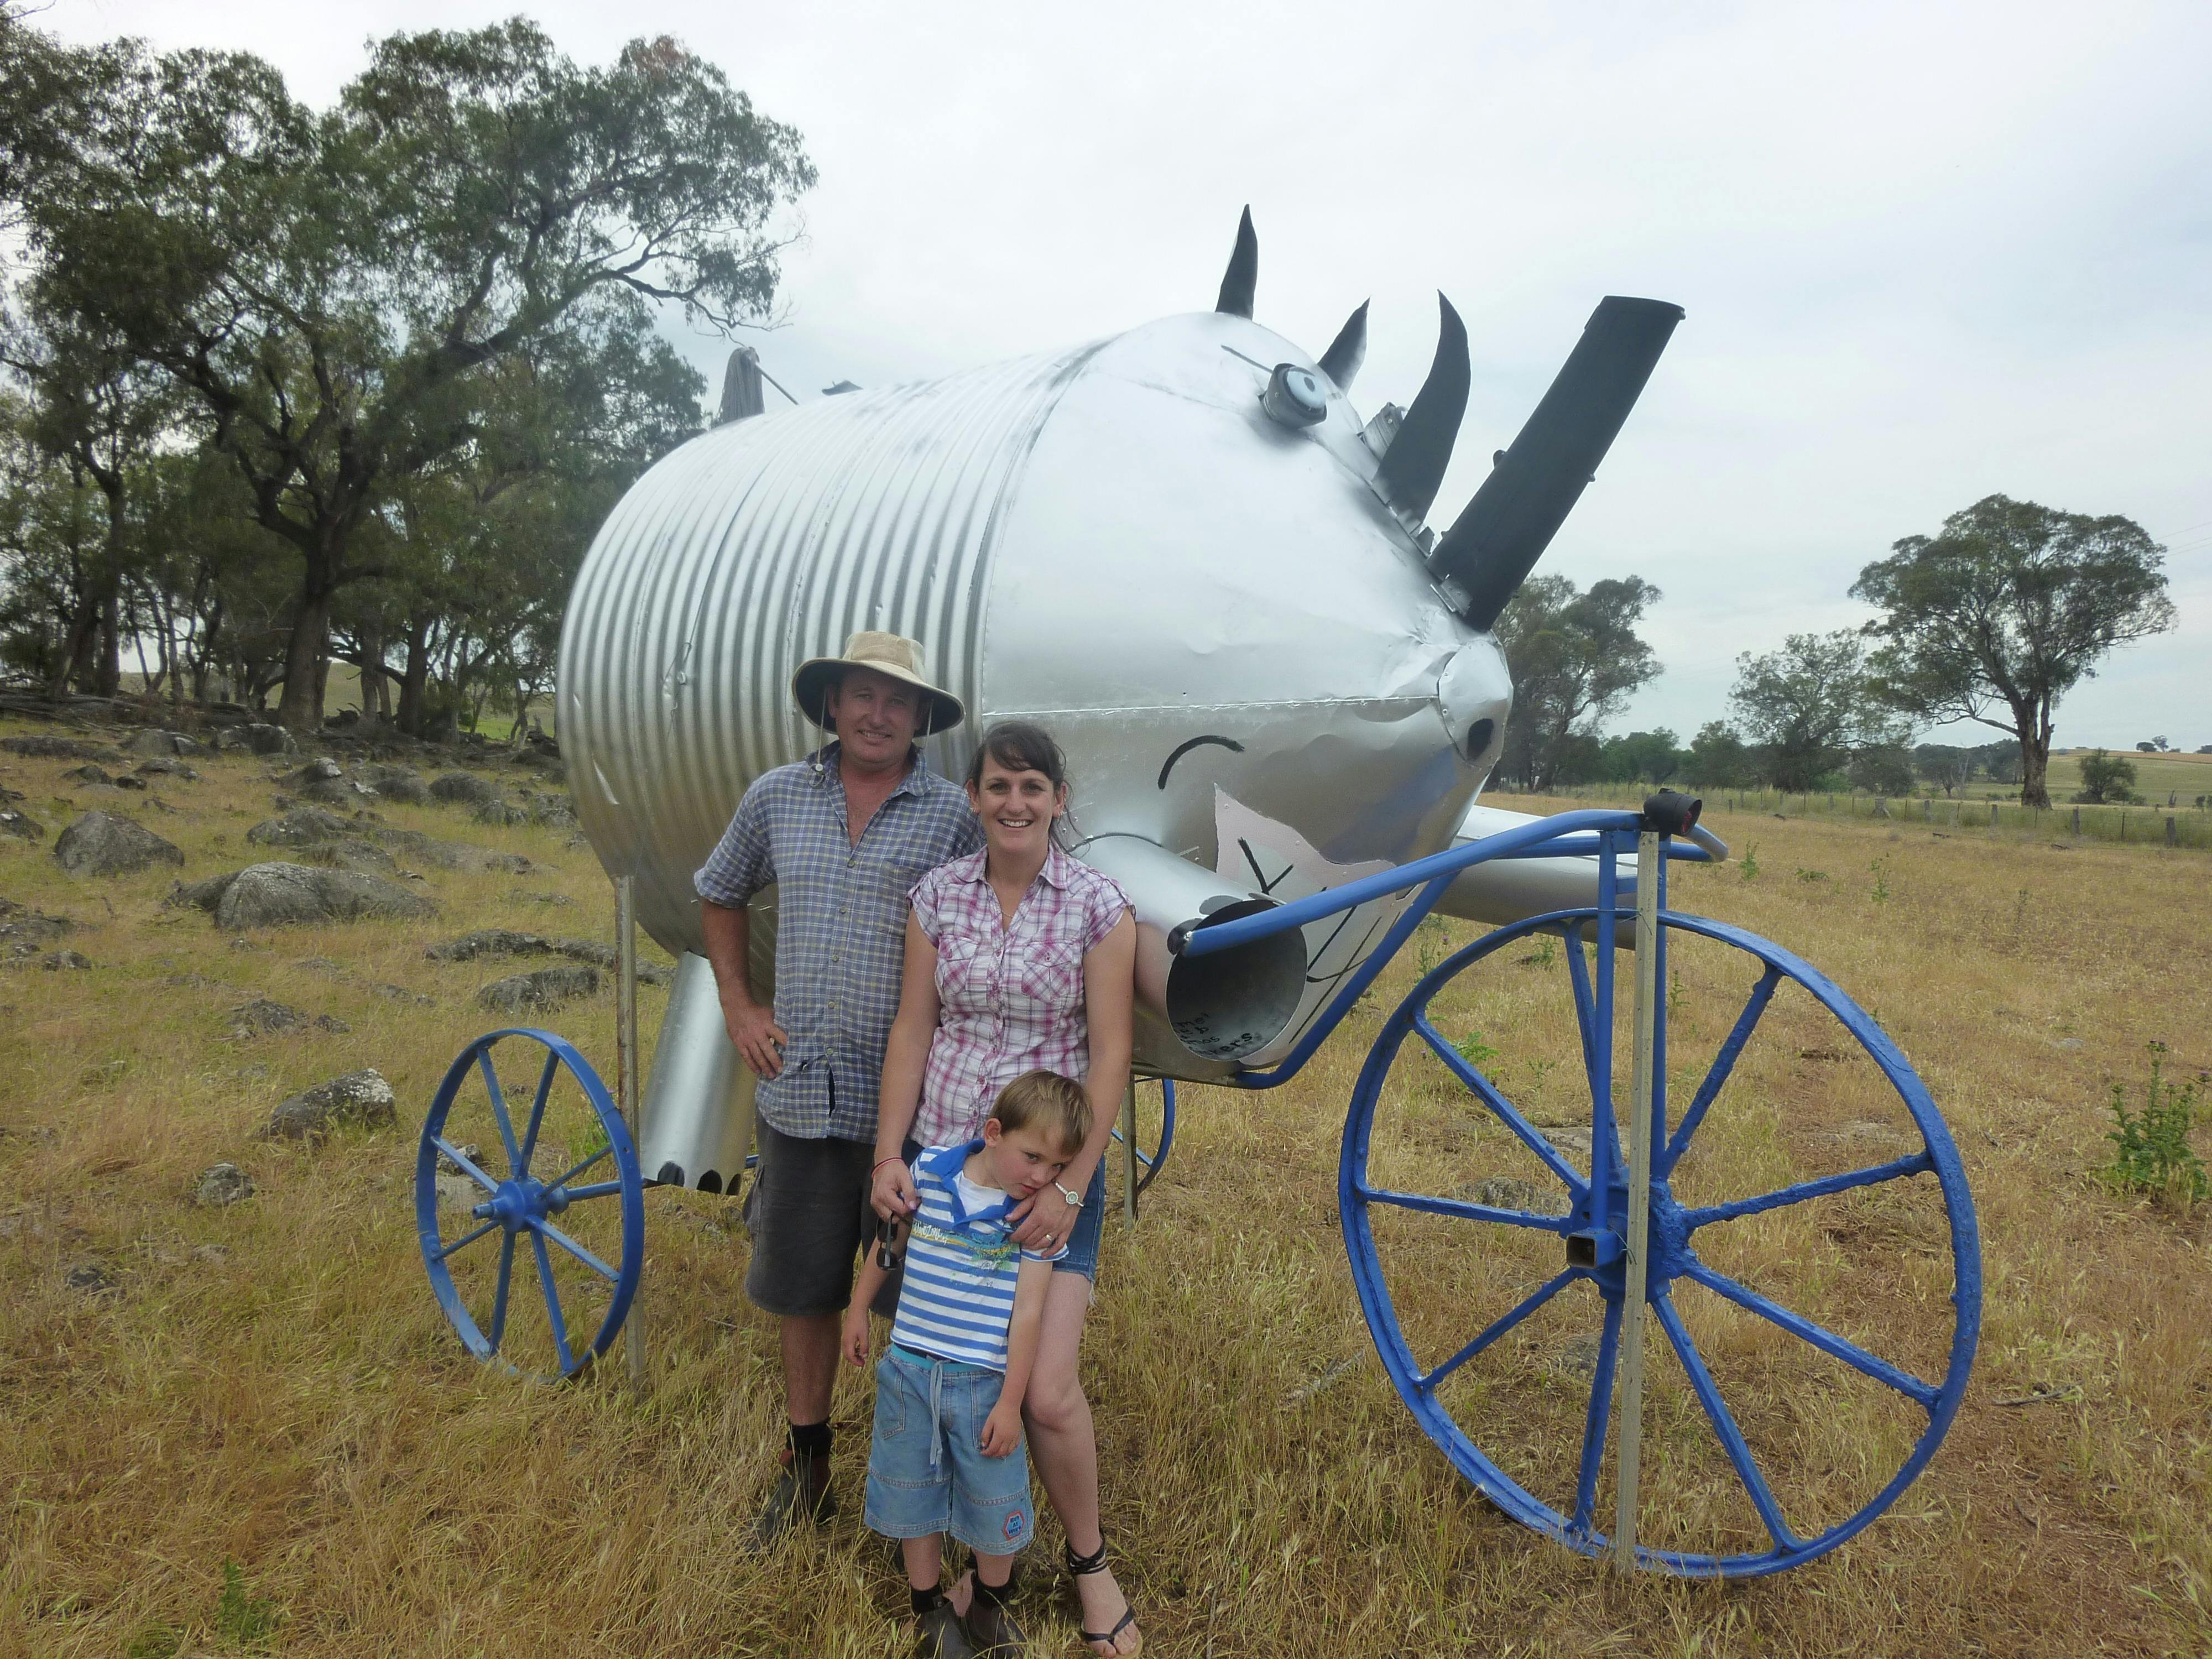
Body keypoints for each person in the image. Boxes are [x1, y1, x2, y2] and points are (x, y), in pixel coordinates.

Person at [694, 631, 983, 1545]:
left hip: (914, 1103)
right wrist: (741, 1006)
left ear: (922, 719)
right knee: (806, 1285)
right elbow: (719, 890)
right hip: (801, 1093)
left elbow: (1011, 897)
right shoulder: (778, 797)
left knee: (920, 1298)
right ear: (832, 705)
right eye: (862, 695)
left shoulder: (952, 816)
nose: (878, 714)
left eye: (898, 702)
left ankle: (916, 1485)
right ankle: (807, 1463)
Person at [872, 721, 1143, 1657]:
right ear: (976, 798)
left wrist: (1068, 1186)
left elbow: (1112, 1057)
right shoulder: (938, 897)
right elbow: (914, 1030)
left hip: (1043, 1185)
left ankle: (1090, 1565)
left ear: (1059, 800)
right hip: (951, 1177)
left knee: (1048, 1392)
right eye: (997, 786)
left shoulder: (1100, 909)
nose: (1015, 803)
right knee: (951, 1372)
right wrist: (888, 1155)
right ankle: (985, 1568)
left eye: (1032, 787)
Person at [843, 1071, 1091, 1658]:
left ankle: (989, 1605)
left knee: (993, 1497)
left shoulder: (1031, 1221)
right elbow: (889, 1244)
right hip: (908, 1367)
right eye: (1033, 1158)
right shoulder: (928, 1170)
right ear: (993, 1133)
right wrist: (857, 1309)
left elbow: (1027, 1315)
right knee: (912, 1492)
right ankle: (927, 1607)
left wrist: (1011, 1402)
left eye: (1057, 1169)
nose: (1041, 1178)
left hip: (981, 1382)